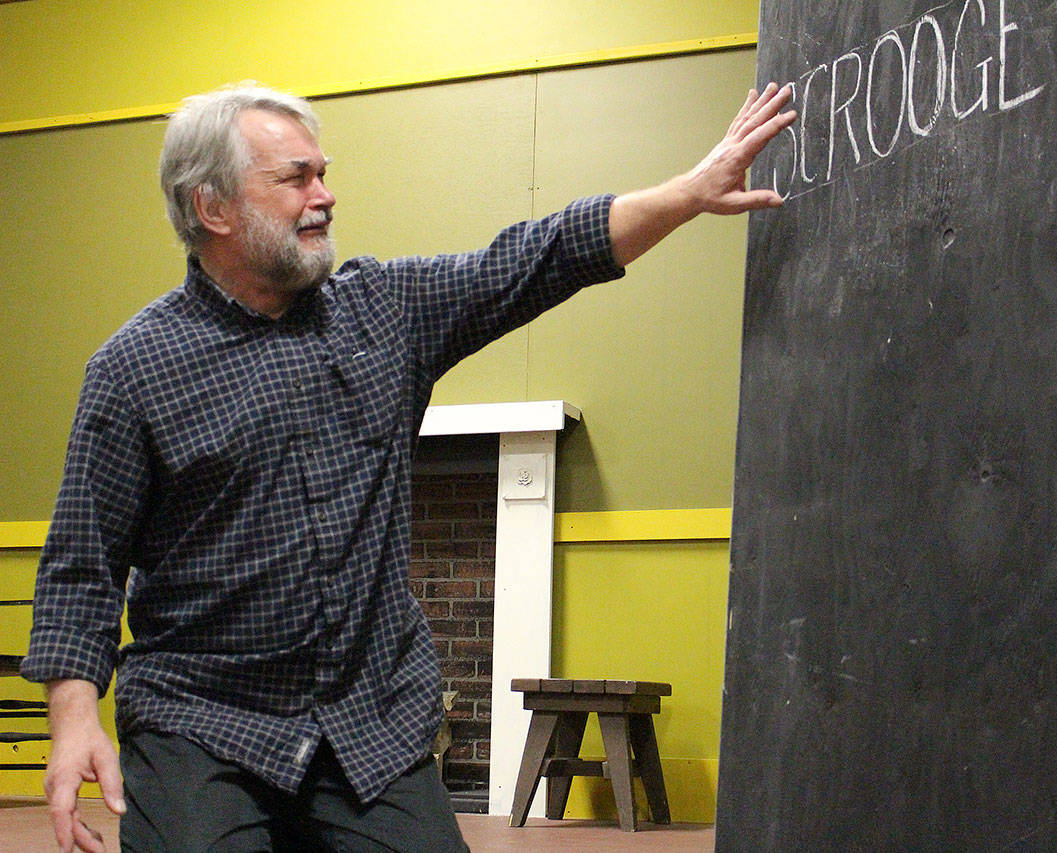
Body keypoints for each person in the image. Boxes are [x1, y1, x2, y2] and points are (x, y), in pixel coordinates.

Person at [22, 79, 794, 852]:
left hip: (367, 716)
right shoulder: (134, 368)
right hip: (204, 720)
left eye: (323, 173)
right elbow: (83, 562)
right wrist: (74, 713)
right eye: (296, 178)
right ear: (213, 207)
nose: (324, 196)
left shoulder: (384, 310)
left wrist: (690, 193)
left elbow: (539, 257)